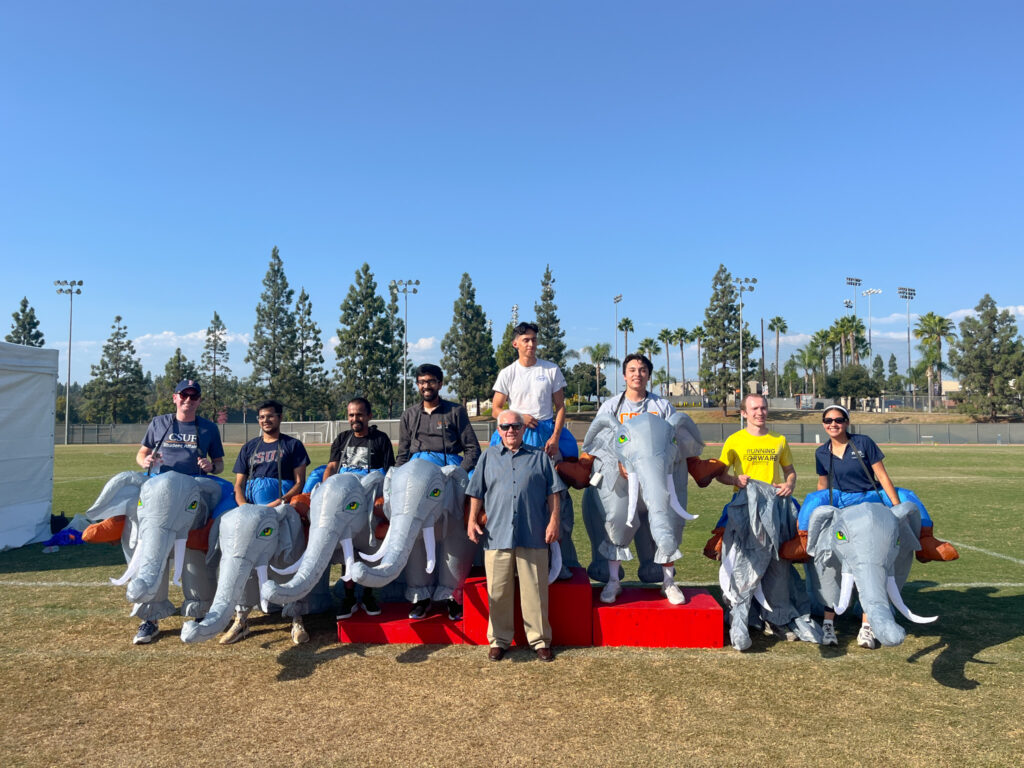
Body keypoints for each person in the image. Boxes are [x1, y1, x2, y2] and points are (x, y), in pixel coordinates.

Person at [786, 404, 958, 649]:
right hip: (842, 496)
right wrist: (818, 509)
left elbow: (883, 475)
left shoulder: (863, 443)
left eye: (838, 419)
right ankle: (804, 543)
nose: (833, 424)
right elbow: (823, 483)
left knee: (909, 496)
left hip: (871, 493)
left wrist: (897, 509)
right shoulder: (821, 452)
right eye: (828, 420)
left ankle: (926, 542)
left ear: (846, 422)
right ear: (824, 424)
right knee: (814, 500)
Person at [131, 378, 225, 645]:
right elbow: (141, 454)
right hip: (159, 496)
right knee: (154, 551)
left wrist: (209, 466)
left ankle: (199, 610)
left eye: (193, 396)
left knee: (194, 552)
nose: (188, 400)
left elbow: (218, 465)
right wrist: (146, 461)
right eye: (184, 395)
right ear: (174, 397)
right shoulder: (159, 423)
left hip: (192, 497)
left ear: (199, 401)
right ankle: (149, 618)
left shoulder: (208, 428)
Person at [467, 410, 564, 662]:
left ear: (523, 429)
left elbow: (553, 492)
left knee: (535, 590)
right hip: (496, 533)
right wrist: (471, 520)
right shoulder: (488, 457)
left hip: (532, 532)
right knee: (497, 590)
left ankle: (540, 640)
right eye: (505, 426)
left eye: (516, 426)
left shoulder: (539, 458)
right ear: (498, 431)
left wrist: (554, 521)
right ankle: (499, 640)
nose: (511, 430)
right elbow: (476, 492)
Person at [396, 363, 481, 619]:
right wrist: (398, 480)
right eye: (421, 382)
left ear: (440, 384)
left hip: (447, 476)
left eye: (431, 381)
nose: (426, 386)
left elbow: (472, 450)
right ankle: (420, 596)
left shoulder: (455, 411)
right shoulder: (409, 415)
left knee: (455, 533)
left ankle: (452, 595)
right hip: (416, 478)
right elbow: (402, 454)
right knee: (414, 536)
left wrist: (457, 474)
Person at [222, 399, 311, 645]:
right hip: (250, 511)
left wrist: (275, 505)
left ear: (280, 418)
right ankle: (241, 619)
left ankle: (296, 618)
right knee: (242, 560)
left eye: (270, 416)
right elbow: (238, 484)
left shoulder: (292, 445)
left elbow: (299, 483)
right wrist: (244, 508)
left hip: (281, 509)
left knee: (288, 558)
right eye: (261, 417)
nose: (265, 421)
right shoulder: (249, 447)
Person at [324, 396, 395, 619]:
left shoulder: (380, 439)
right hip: (345, 502)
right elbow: (332, 467)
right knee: (348, 549)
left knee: (369, 548)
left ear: (369, 415)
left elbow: (389, 472)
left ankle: (368, 594)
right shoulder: (342, 438)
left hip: (370, 500)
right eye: (351, 415)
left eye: (360, 414)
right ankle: (348, 596)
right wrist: (327, 488)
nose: (355, 419)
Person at [704, 393, 797, 559]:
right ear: (744, 413)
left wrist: (789, 484)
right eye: (754, 408)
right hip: (744, 502)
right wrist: (734, 480)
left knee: (775, 552)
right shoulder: (734, 440)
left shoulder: (779, 440)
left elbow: (790, 471)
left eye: (763, 408)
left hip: (773, 504)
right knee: (740, 553)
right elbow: (720, 475)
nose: (760, 412)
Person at [490, 322, 576, 460]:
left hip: (545, 433)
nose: (531, 344)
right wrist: (520, 417)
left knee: (555, 474)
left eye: (534, 340)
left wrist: (555, 437)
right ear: (515, 344)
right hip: (517, 433)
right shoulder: (507, 373)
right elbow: (495, 409)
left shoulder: (552, 370)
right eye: (526, 340)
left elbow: (560, 407)